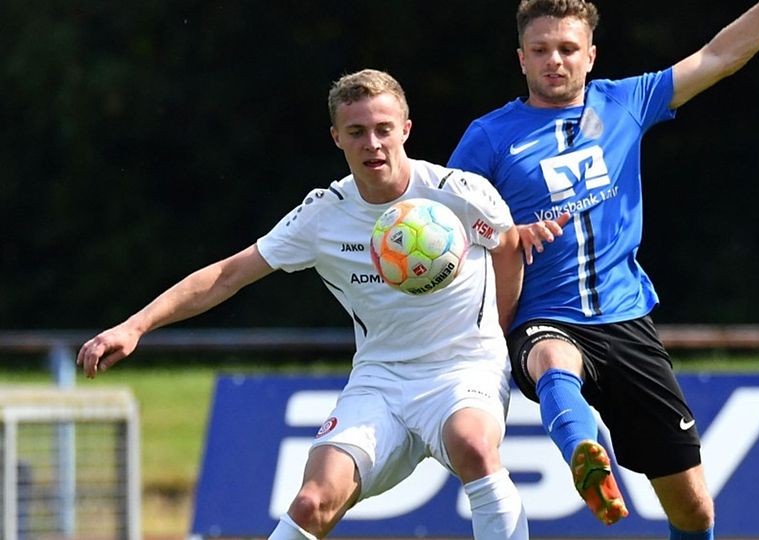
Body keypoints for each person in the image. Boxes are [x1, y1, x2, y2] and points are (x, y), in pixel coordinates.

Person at [77, 69, 529, 540]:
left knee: (473, 446)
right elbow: (228, 274)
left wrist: (498, 333)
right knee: (313, 501)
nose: (372, 143)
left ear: (406, 130)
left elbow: (508, 246)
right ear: (337, 137)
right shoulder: (323, 215)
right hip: (381, 379)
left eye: (383, 129)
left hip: (463, 368)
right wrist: (135, 326)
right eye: (356, 132)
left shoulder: (458, 193)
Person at [447, 0, 759, 537]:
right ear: (521, 59)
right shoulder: (488, 138)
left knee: (694, 511)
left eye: (567, 49)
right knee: (552, 359)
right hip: (543, 316)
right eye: (540, 50)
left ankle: (594, 451)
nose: (554, 61)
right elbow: (447, 233)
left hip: (626, 319)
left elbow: (722, 54)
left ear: (591, 55)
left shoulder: (626, 101)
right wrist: (509, 237)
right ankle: (584, 452)